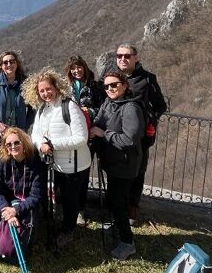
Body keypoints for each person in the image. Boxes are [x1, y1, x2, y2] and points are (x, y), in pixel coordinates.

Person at [24, 68, 90, 248]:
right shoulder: (42, 110)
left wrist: (52, 145)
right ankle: (54, 224)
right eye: (41, 91)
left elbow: (81, 138)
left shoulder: (69, 106)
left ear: (56, 87)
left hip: (74, 165)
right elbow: (35, 134)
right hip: (53, 164)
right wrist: (40, 146)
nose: (46, 93)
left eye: (48, 89)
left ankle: (68, 230)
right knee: (57, 197)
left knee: (70, 200)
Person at [89, 69, 145, 261]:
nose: (110, 88)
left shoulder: (131, 108)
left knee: (119, 203)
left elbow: (130, 139)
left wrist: (103, 134)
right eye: (106, 86)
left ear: (125, 85)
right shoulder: (110, 102)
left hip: (125, 165)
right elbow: (99, 121)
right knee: (114, 200)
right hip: (113, 162)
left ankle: (127, 242)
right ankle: (119, 229)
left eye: (114, 85)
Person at [109, 43, 167, 225]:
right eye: (119, 56)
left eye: (127, 56)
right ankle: (114, 203)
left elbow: (160, 105)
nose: (123, 59)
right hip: (115, 133)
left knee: (137, 169)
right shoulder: (110, 76)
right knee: (114, 168)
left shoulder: (147, 79)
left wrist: (150, 122)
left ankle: (132, 206)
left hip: (139, 136)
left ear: (136, 58)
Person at [0, 127, 43, 260]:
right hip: (6, 203)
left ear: (23, 142)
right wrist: (8, 214)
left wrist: (16, 210)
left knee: (30, 220)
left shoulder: (35, 162)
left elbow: (36, 196)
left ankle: (23, 242)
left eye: (17, 142)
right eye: (9, 144)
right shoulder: (2, 162)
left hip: (25, 203)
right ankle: (0, 236)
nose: (13, 146)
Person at [65, 54, 105, 227]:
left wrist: (89, 111)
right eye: (73, 68)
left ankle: (80, 209)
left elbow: (103, 109)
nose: (76, 70)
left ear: (85, 67)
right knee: (69, 171)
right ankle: (69, 205)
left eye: (79, 67)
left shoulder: (95, 86)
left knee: (83, 173)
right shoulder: (66, 87)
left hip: (89, 136)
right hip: (70, 134)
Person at [0, 50, 33, 159]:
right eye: (5, 62)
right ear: (1, 66)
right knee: (1, 167)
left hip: (19, 135)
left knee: (19, 165)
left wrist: (25, 125)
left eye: (12, 61)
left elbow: (33, 107)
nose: (9, 65)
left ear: (17, 63)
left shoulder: (25, 83)